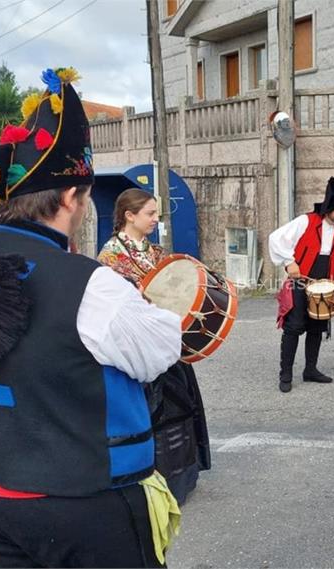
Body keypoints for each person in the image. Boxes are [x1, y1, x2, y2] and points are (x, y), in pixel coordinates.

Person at [0, 68, 183, 567]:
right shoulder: (91, 284)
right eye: (85, 200)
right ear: (70, 198)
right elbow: (160, 352)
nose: (85, 208)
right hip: (79, 502)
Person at [98, 188, 211, 505]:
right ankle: (158, 478)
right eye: (149, 213)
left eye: (156, 213)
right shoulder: (109, 259)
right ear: (129, 216)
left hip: (167, 340)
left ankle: (185, 473)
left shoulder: (155, 252)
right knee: (158, 411)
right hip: (141, 348)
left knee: (182, 405)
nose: (155, 219)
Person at [268, 177, 334, 393]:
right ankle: (286, 374)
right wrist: (289, 262)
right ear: (329, 207)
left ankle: (310, 370)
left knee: (317, 327)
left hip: (326, 285)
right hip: (299, 282)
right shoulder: (305, 222)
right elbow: (276, 239)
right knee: (293, 327)